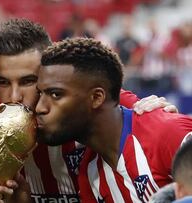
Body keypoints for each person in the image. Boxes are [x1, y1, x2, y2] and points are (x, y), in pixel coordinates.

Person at [0, 19, 178, 203]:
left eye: (28, 81)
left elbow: (154, 122)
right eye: (4, 82)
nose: (15, 97)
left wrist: (160, 114)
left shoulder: (96, 102)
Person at [35, 37, 192, 203]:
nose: (40, 107)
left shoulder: (165, 132)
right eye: (40, 94)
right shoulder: (89, 176)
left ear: (96, 97)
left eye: (55, 94)